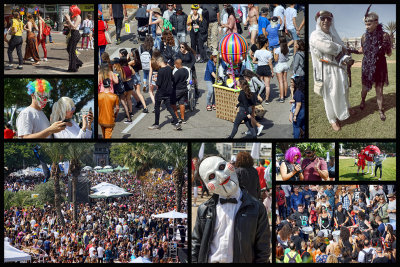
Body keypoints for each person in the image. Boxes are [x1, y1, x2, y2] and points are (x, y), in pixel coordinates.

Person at [192, 155, 270, 263]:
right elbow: (196, 245)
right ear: (205, 184)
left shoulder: (257, 208)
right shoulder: (204, 209)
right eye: (211, 177)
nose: (221, 176)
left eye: (221, 167)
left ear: (230, 164)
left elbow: (263, 249)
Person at [309, 10, 353, 131]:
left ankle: (345, 110)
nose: (326, 21)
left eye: (329, 19)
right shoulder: (315, 35)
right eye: (323, 18)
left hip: (338, 69)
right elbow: (327, 47)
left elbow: (344, 49)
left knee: (343, 90)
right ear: (319, 20)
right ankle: (332, 119)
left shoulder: (333, 35)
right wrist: (340, 48)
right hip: (326, 70)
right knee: (329, 95)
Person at [359, 11, 392, 121]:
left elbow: (389, 53)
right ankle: (363, 100)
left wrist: (386, 46)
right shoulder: (363, 37)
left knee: (379, 90)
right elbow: (363, 50)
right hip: (367, 65)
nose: (366, 26)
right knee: (364, 88)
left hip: (380, 66)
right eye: (365, 24)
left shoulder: (385, 36)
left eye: (369, 24)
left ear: (376, 22)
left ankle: (380, 110)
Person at [148, 56, 182, 131]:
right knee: (169, 107)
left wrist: (155, 79)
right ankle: (176, 123)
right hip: (168, 91)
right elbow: (172, 78)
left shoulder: (160, 71)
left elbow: (158, 84)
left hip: (161, 92)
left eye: (157, 63)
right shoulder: (169, 68)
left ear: (159, 62)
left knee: (157, 107)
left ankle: (156, 124)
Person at [253, 36, 274, 104]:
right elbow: (270, 64)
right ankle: (267, 99)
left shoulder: (257, 51)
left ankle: (259, 97)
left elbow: (253, 61)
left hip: (259, 68)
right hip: (266, 68)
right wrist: (272, 71)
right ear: (265, 43)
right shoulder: (268, 53)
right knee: (267, 85)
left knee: (260, 84)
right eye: (267, 42)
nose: (268, 43)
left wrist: (259, 62)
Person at [64, 5, 83, 72]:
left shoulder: (78, 17)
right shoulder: (74, 17)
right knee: (69, 49)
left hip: (76, 34)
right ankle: (77, 62)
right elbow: (71, 27)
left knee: (71, 50)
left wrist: (69, 20)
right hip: (72, 33)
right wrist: (67, 23)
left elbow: (74, 27)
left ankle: (73, 68)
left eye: (71, 11)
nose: (71, 12)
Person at [172, 58, 189, 123]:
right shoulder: (186, 70)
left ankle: (177, 117)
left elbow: (174, 81)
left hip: (177, 90)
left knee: (172, 103)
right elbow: (187, 78)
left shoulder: (177, 72)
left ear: (177, 64)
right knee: (182, 103)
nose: (175, 66)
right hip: (184, 89)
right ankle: (183, 118)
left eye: (175, 65)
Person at [274, 36, 290, 102]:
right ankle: (285, 94)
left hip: (279, 65)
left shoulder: (277, 49)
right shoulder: (287, 48)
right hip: (285, 64)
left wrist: (274, 53)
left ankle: (281, 97)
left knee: (280, 81)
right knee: (285, 80)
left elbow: (275, 59)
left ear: (280, 41)